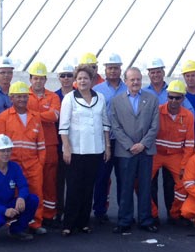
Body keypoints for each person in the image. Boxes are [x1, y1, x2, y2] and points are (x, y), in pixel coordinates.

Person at [59, 64, 111, 236]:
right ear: (76, 80)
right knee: (74, 187)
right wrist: (66, 149)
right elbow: (63, 127)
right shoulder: (69, 98)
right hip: (75, 151)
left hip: (95, 150)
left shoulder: (100, 98)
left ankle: (83, 222)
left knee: (89, 188)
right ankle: (68, 223)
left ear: (91, 80)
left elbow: (105, 123)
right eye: (79, 78)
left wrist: (107, 147)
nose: (82, 81)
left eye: (86, 78)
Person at [145, 57, 195, 224]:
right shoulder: (157, 111)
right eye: (171, 97)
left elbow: (189, 143)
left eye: (178, 98)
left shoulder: (188, 116)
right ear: (167, 97)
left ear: (183, 99)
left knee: (183, 183)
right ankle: (152, 214)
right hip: (156, 153)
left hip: (176, 155)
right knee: (143, 182)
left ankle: (175, 214)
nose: (174, 101)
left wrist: (184, 165)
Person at [0, 81, 47, 235]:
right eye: (18, 97)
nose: (22, 99)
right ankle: (15, 224)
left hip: (33, 164)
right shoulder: (3, 118)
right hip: (12, 164)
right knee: (15, 194)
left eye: (25, 96)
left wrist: (39, 164)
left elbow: (41, 144)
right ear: (11, 98)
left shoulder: (35, 117)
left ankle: (35, 223)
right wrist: (3, 166)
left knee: (37, 192)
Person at [110, 67, 159, 234]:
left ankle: (145, 220)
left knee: (146, 186)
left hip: (145, 150)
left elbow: (155, 125)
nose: (136, 82)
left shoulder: (151, 99)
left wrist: (143, 144)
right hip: (126, 151)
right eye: (132, 79)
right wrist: (129, 145)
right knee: (125, 186)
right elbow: (115, 126)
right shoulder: (116, 101)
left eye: (138, 79)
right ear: (126, 81)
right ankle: (124, 220)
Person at [0, 134, 39, 242]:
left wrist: (21, 197)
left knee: (33, 200)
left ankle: (16, 230)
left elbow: (23, 185)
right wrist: (4, 210)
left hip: (8, 203)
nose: (6, 154)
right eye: (2, 151)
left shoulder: (15, 167)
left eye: (8, 150)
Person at [92, 52, 127, 224]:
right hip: (103, 140)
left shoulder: (128, 88)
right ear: (105, 70)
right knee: (102, 177)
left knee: (123, 177)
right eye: (110, 68)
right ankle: (99, 211)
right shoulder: (97, 90)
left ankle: (124, 211)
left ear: (121, 69)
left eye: (116, 68)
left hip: (122, 141)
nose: (113, 71)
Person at [27, 61, 61, 228]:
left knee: (49, 181)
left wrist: (32, 115)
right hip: (30, 145)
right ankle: (32, 214)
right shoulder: (24, 94)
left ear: (46, 80)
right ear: (30, 79)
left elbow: (54, 116)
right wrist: (42, 115)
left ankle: (49, 214)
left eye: (41, 78)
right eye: (35, 78)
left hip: (49, 144)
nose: (38, 82)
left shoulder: (53, 96)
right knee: (32, 182)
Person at [54, 63, 75, 224]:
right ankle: (58, 211)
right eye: (63, 75)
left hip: (76, 144)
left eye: (69, 75)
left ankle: (73, 212)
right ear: (58, 78)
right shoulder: (53, 97)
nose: (66, 78)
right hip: (57, 145)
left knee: (74, 181)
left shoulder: (80, 95)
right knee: (58, 180)